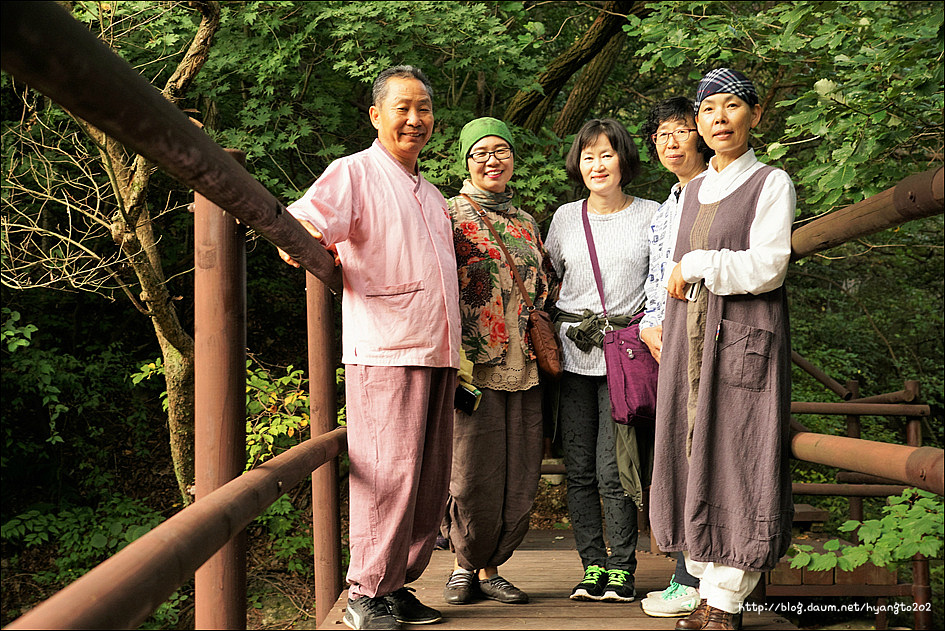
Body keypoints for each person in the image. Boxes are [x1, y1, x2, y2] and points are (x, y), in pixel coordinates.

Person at [280, 65, 460, 631]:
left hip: (438, 349)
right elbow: (300, 225)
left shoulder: (430, 193)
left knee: (428, 480)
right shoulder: (353, 172)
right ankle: (364, 592)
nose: (415, 119)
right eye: (402, 108)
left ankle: (397, 584)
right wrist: (311, 244)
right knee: (389, 474)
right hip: (384, 347)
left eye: (424, 108)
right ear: (376, 115)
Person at [649, 68, 796, 631]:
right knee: (692, 455)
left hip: (741, 341)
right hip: (690, 342)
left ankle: (727, 602)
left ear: (754, 116)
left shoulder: (771, 183)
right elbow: (670, 272)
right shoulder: (694, 189)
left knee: (738, 455)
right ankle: (709, 594)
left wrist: (698, 265)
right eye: (708, 111)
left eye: (731, 107)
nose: (719, 119)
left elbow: (769, 265)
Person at [545, 119, 659, 604]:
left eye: (606, 155)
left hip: (624, 360)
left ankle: (621, 568)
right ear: (579, 163)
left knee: (617, 471)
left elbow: (660, 284)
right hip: (571, 358)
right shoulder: (565, 218)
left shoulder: (653, 214)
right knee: (580, 470)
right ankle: (591, 566)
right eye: (588, 156)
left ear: (623, 159)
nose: (597, 165)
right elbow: (548, 283)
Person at [440, 117, 552, 606]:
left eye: (502, 150)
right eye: (481, 151)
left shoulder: (526, 222)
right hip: (473, 364)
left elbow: (544, 286)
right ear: (466, 160)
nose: (492, 159)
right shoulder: (448, 214)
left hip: (525, 365)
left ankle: (492, 567)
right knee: (468, 470)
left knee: (519, 471)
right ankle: (463, 564)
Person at [636, 96, 712, 619]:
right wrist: (647, 327)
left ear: (701, 135)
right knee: (674, 453)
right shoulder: (667, 207)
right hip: (669, 344)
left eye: (681, 131)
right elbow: (653, 281)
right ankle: (688, 572)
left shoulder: (718, 195)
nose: (670, 142)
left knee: (702, 451)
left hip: (709, 339)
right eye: (662, 134)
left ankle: (699, 576)